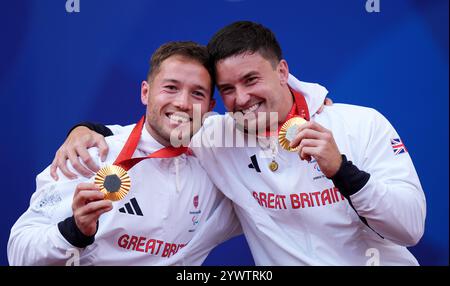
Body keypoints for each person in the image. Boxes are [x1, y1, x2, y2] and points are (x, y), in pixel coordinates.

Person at [48, 21, 426, 265]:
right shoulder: (218, 136)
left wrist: (344, 171)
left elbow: (409, 229)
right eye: (227, 89)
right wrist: (84, 129)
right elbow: (159, 125)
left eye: (251, 80)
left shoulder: (360, 123)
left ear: (282, 71)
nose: (241, 99)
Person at [7, 41, 241, 266]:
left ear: (210, 108)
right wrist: (75, 231)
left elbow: (264, 123)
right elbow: (19, 252)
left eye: (197, 94)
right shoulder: (91, 155)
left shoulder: (217, 159)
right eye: (171, 88)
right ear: (145, 93)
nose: (183, 103)